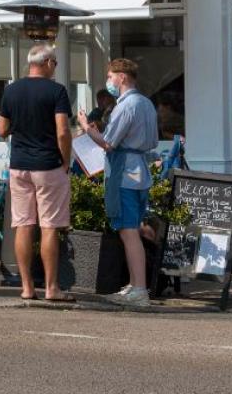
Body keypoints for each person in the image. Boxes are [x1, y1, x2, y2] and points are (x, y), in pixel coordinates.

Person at [78, 58, 158, 306]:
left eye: (111, 76)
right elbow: (153, 141)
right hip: (140, 172)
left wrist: (86, 128)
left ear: (122, 77)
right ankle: (135, 285)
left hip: (125, 174)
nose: (109, 81)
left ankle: (139, 289)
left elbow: (108, 142)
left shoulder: (126, 106)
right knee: (132, 228)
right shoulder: (146, 103)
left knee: (128, 231)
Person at [0, 43, 74, 302]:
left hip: (19, 166)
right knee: (49, 226)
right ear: (48, 63)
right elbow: (63, 130)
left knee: (23, 225)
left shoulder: (11, 90)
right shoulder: (57, 91)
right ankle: (52, 288)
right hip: (48, 165)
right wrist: (66, 160)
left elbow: (1, 129)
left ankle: (27, 287)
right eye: (55, 63)